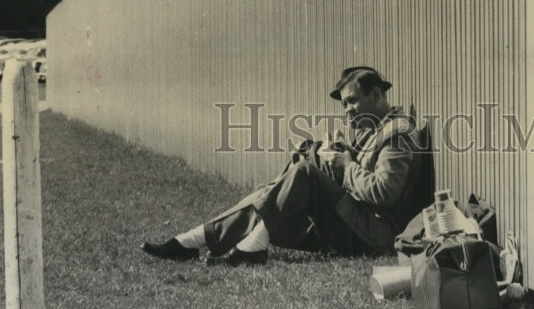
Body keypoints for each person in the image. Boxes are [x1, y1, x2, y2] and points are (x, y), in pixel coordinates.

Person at [141, 66, 433, 266]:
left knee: (304, 172)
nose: (347, 111)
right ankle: (205, 239)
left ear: (378, 95)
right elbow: (364, 172)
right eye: (344, 104)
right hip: (358, 223)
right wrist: (336, 152)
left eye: (353, 101)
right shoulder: (377, 127)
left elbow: (385, 192)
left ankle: (223, 241)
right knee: (308, 154)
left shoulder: (398, 134)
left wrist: (345, 165)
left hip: (373, 237)